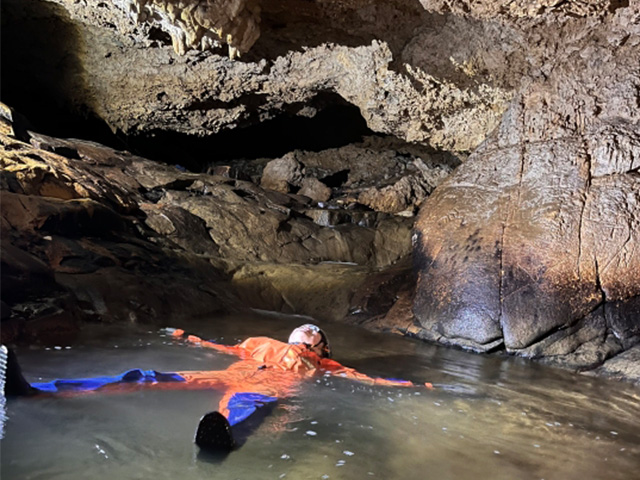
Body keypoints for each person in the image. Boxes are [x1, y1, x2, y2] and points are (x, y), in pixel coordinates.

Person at [2, 324, 433, 452]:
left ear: (320, 345)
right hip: (236, 373)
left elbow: (371, 380)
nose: (310, 334)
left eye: (315, 335)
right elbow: (221, 346)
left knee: (244, 405)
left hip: (272, 386)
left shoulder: (327, 364)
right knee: (150, 376)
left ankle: (223, 438)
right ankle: (36, 390)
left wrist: (417, 384)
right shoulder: (261, 342)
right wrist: (187, 338)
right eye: (305, 332)